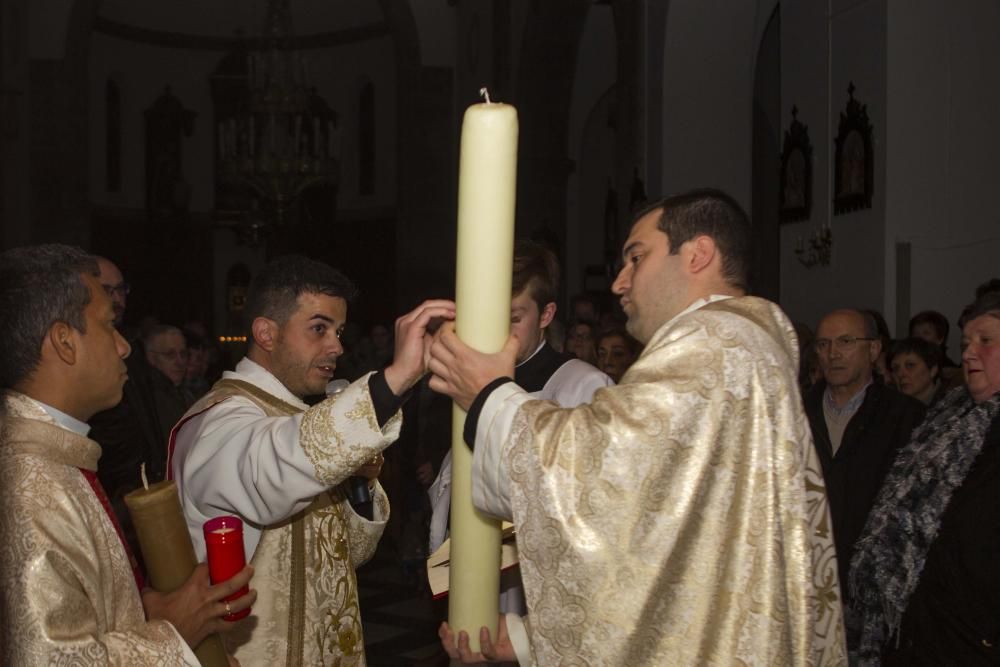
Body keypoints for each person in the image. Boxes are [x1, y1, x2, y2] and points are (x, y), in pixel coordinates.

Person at [429, 189, 846, 665]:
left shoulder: (715, 344)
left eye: (636, 257)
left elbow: (597, 484)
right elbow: (665, 540)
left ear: (698, 254)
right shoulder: (740, 345)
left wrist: (488, 394)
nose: (619, 283)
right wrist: (529, 638)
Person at [170, 254, 452, 666]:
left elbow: (346, 555)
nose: (336, 346)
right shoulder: (219, 421)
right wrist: (394, 380)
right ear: (266, 332)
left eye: (338, 331)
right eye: (319, 328)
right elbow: (271, 465)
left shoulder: (302, 419)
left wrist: (360, 485)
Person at [0, 244, 255, 665]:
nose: (124, 347)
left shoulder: (54, 455)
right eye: (109, 325)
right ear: (65, 341)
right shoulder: (28, 487)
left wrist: (142, 612)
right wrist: (172, 635)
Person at [426, 239, 612, 557]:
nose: (498, 330)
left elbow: (587, 507)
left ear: (545, 315)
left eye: (513, 318)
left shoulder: (584, 386)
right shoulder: (463, 377)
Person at [850, 290, 1000, 665]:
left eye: (986, 341)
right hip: (922, 630)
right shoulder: (945, 419)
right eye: (966, 342)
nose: (968, 353)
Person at [803, 310, 926, 616]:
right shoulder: (795, 410)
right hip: (804, 577)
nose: (833, 354)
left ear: (873, 349)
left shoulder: (906, 417)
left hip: (871, 588)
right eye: (823, 345)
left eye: (846, 341)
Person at [144, 324, 196, 443]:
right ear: (151, 358)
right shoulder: (148, 399)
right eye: (170, 354)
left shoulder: (186, 393)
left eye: (183, 354)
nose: (179, 361)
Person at [889, 337, 947, 407]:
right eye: (896, 368)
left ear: (932, 370)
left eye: (910, 365)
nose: (900, 373)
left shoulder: (948, 405)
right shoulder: (892, 405)